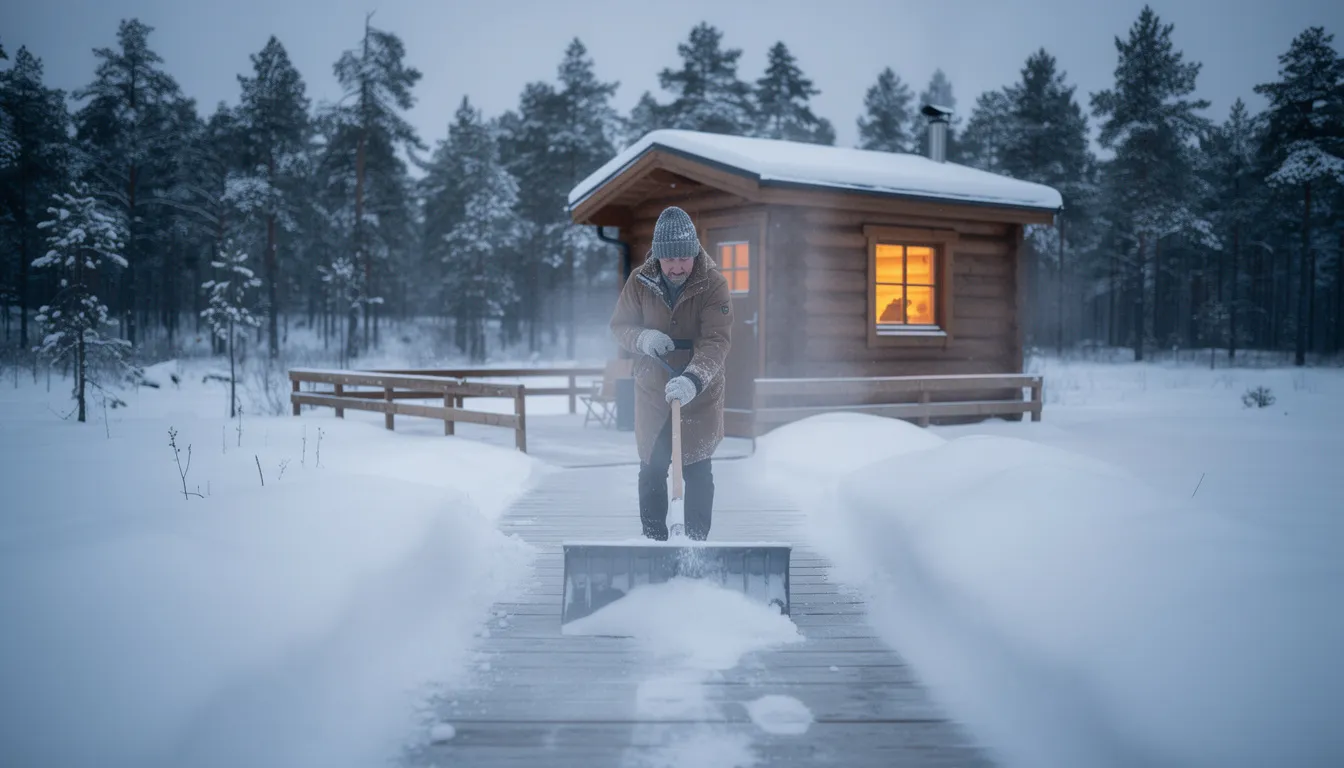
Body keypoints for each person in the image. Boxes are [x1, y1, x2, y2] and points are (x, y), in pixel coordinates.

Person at [609, 205, 733, 541]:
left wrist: (692, 380)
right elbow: (621, 327)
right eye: (669, 260)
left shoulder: (713, 284)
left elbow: (716, 342)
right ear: (658, 257)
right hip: (653, 392)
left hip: (700, 393)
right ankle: (654, 541)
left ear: (694, 253)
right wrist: (644, 338)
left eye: (684, 258)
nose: (677, 267)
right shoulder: (639, 281)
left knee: (696, 469)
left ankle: (696, 546)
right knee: (651, 468)